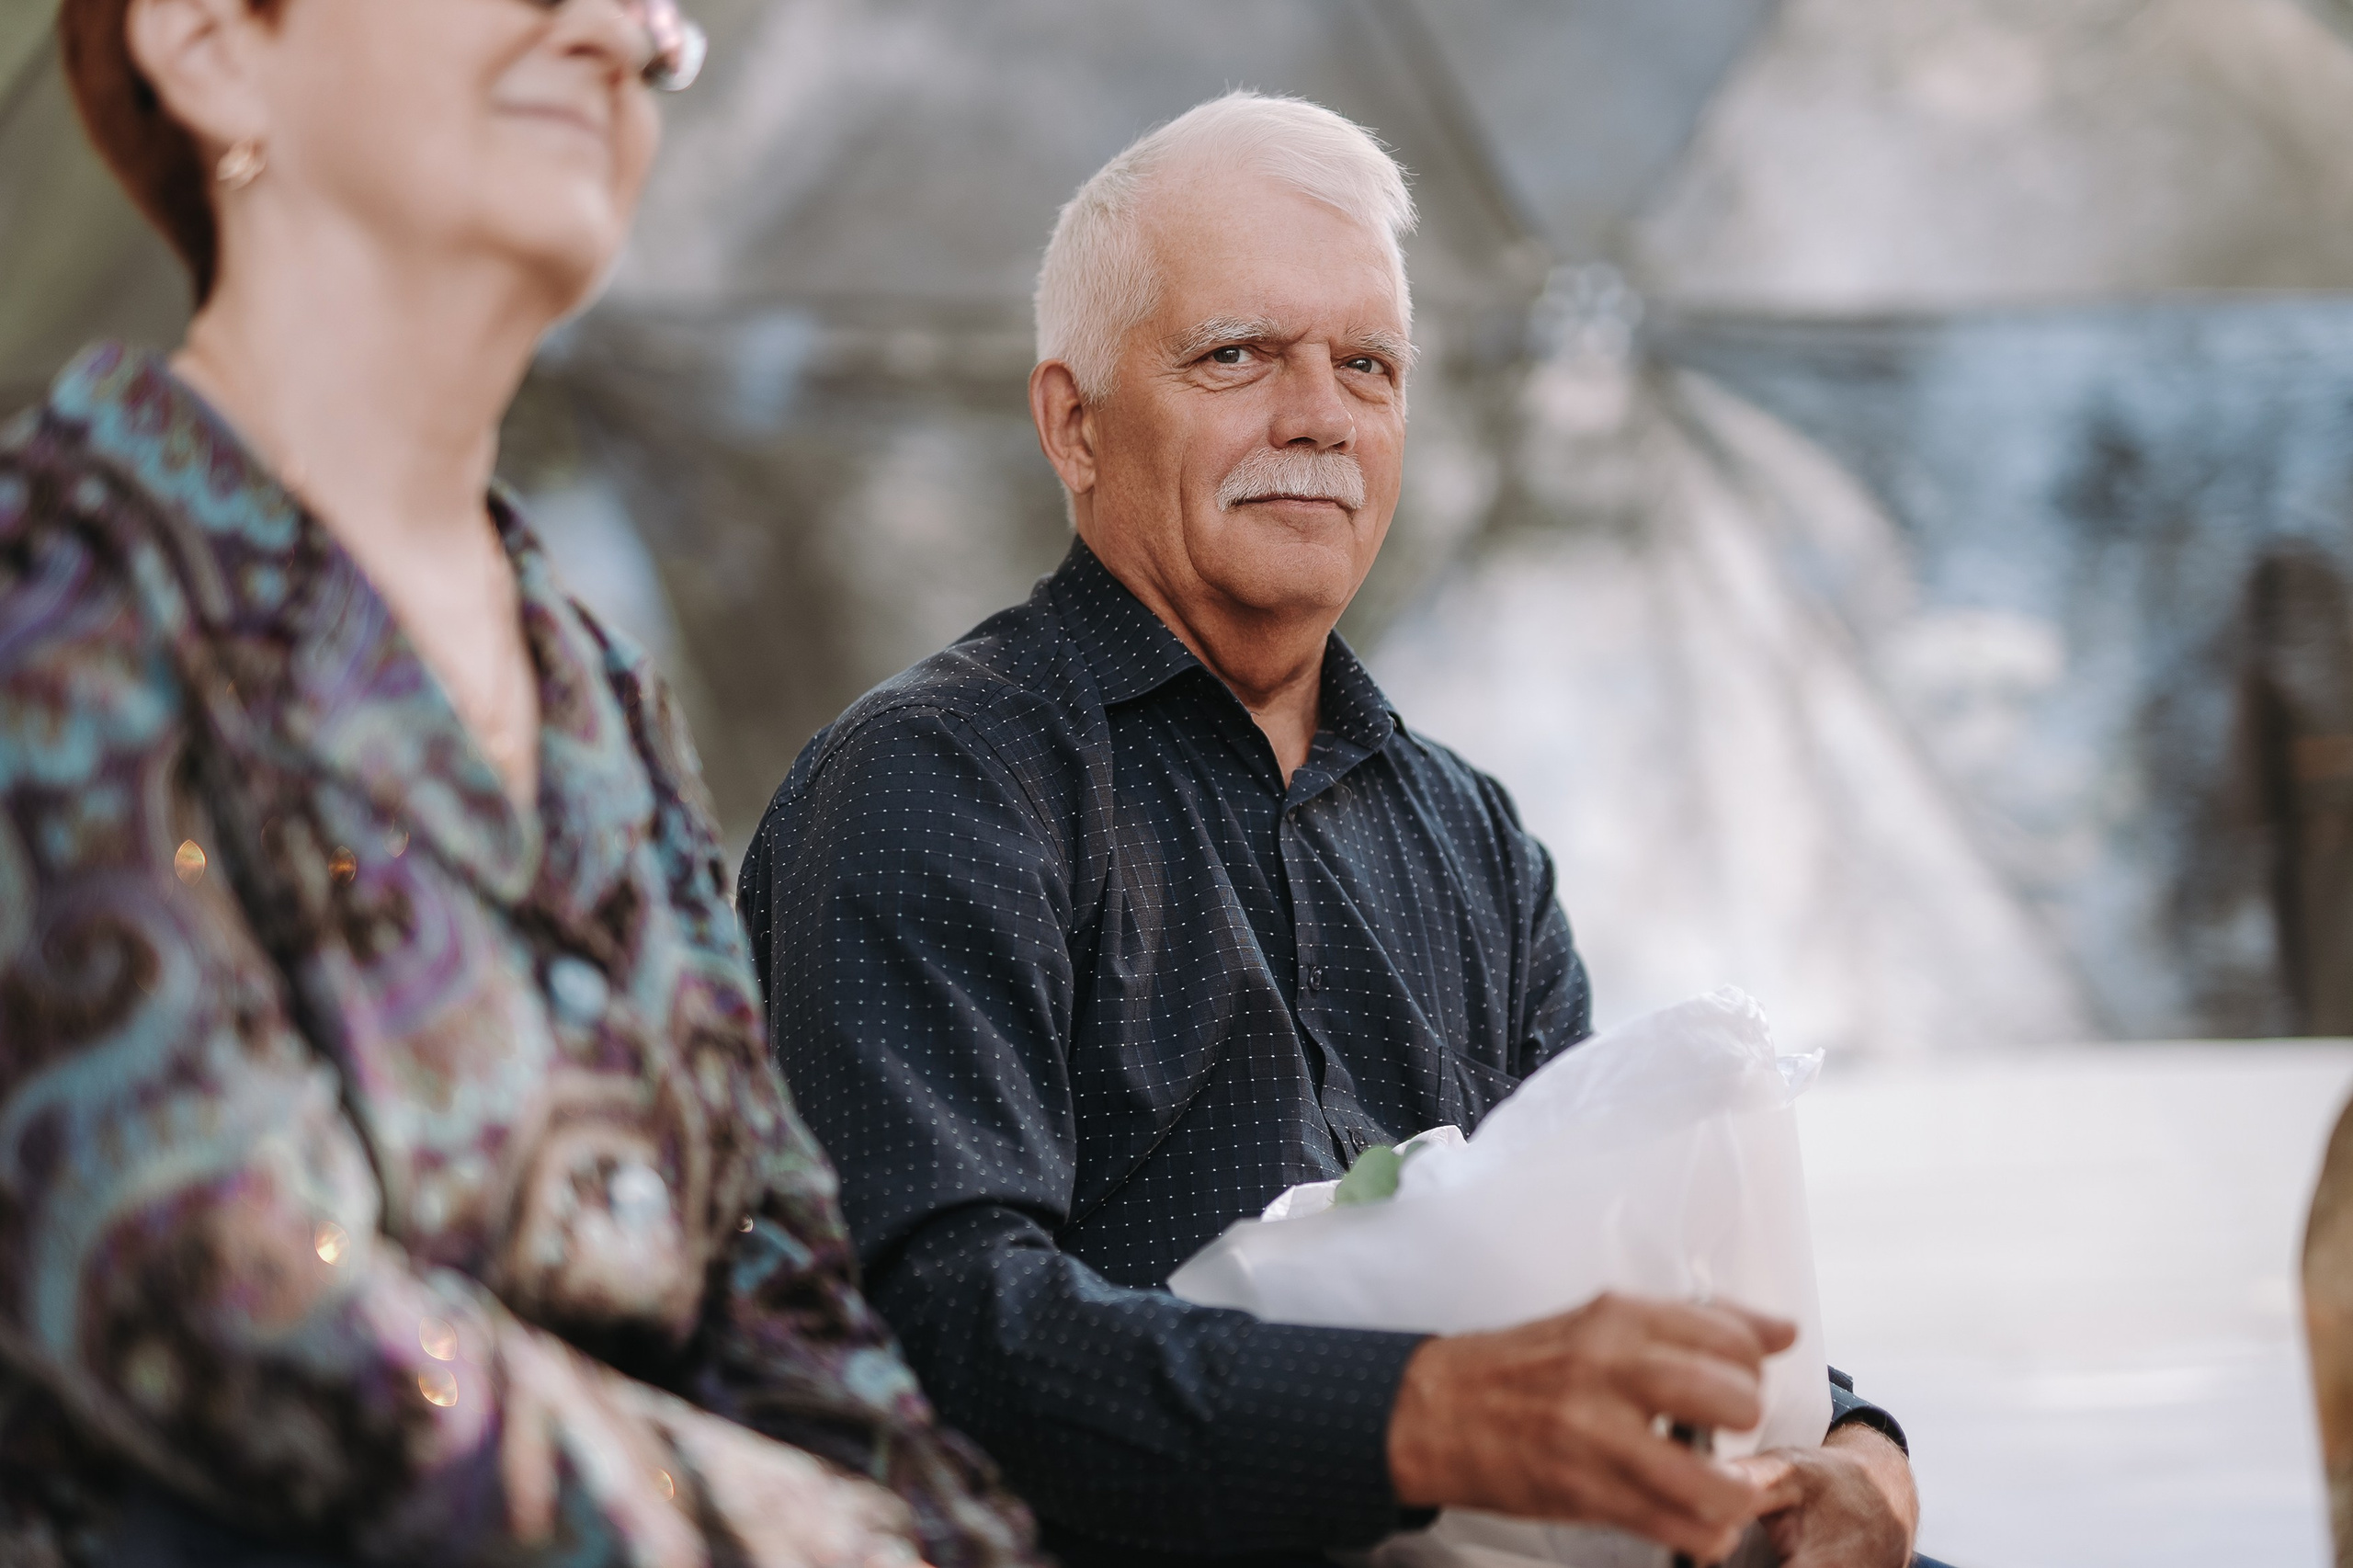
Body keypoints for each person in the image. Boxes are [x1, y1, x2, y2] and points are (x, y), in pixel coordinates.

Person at [739, 92, 1926, 1568]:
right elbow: (932, 1334)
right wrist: (1420, 1418)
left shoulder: (1473, 842)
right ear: (1073, 421)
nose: (1317, 416)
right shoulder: (934, 783)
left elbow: (1622, 1243)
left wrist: (1857, 1446)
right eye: (1236, 355)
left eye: (1366, 364)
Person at [0, 2, 1040, 1564]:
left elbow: (784, 1275)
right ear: (209, 39)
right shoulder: (53, 582)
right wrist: (785, 1537)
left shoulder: (601, 699)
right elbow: (208, 1277)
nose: (617, 28)